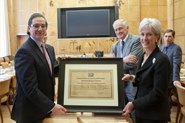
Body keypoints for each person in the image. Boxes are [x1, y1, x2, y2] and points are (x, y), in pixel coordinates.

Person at [11, 13, 68, 123]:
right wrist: (51, 106)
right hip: (30, 114)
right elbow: (30, 89)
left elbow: (48, 73)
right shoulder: (24, 51)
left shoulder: (48, 48)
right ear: (29, 28)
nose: (40, 29)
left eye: (43, 26)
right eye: (36, 26)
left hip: (43, 110)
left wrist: (64, 66)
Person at [122, 18, 171, 123]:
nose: (144, 38)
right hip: (142, 111)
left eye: (149, 34)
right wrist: (133, 78)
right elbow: (146, 79)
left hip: (155, 115)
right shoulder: (143, 56)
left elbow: (158, 92)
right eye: (142, 34)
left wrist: (134, 104)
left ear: (157, 36)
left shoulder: (161, 60)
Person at [109, 19, 143, 102]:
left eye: (120, 28)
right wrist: (123, 60)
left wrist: (116, 62)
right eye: (116, 30)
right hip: (118, 82)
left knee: (133, 106)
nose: (118, 32)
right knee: (121, 107)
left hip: (132, 81)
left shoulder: (136, 40)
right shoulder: (114, 46)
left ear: (127, 28)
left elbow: (133, 64)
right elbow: (110, 64)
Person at [159, 29, 182, 95]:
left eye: (169, 36)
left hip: (169, 78)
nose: (167, 38)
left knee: (165, 98)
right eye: (166, 36)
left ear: (173, 38)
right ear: (163, 37)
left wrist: (176, 79)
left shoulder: (176, 48)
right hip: (160, 78)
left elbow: (176, 64)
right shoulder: (161, 47)